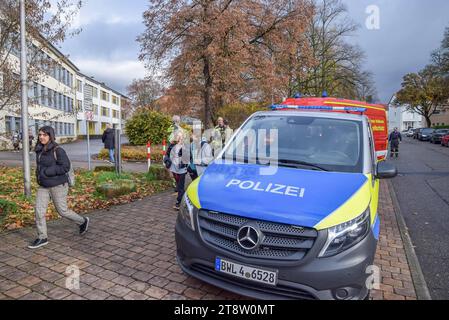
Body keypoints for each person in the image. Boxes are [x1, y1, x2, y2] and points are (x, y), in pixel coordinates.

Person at [28, 126, 89, 249]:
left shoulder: (58, 150)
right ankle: (42, 237)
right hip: (43, 186)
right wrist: (40, 176)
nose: (41, 137)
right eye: (40, 135)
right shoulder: (39, 149)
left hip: (58, 185)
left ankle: (83, 221)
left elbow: (65, 167)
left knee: (62, 211)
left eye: (44, 135)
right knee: (39, 211)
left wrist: (47, 172)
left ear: (50, 136)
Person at [168, 131, 189, 210]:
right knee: (178, 185)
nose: (179, 138)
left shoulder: (185, 146)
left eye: (181, 136)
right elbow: (167, 155)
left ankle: (179, 202)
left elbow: (188, 157)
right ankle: (183, 199)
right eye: (178, 136)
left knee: (180, 186)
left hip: (182, 169)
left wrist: (184, 163)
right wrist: (167, 160)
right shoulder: (172, 145)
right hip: (174, 168)